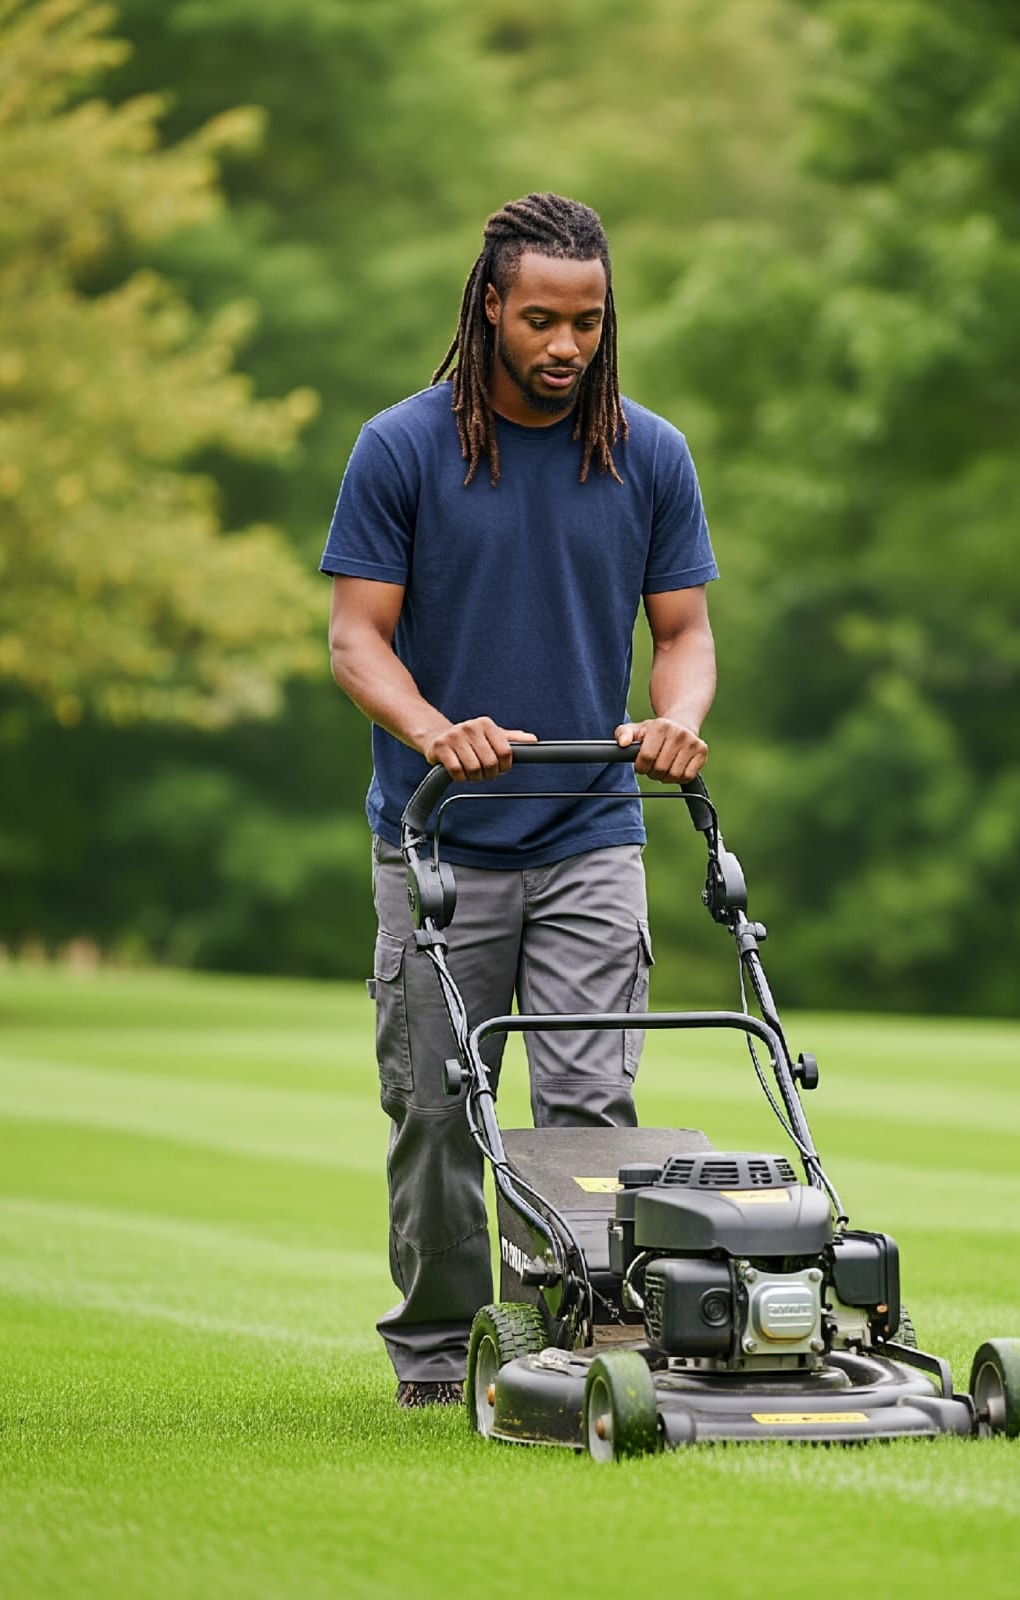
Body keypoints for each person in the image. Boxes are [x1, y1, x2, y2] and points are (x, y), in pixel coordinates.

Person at [320, 193, 718, 1407]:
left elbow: (687, 631)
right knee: (440, 1116)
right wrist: (437, 729)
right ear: (489, 305)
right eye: (540, 319)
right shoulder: (401, 449)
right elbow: (355, 639)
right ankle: (441, 1356)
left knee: (590, 1107)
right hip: (439, 839)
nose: (565, 346)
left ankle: (573, 1342)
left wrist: (675, 721)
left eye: (587, 323)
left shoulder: (646, 452)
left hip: (591, 828)